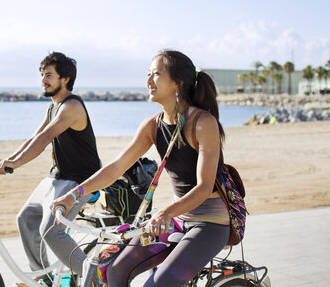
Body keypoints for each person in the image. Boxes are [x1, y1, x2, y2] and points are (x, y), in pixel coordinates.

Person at [52, 49, 230, 287]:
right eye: (148, 74)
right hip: (177, 219)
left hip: (210, 223)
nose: (148, 81)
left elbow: (204, 186)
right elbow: (115, 168)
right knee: (114, 270)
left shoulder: (203, 123)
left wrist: (165, 212)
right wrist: (73, 195)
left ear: (177, 82)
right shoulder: (152, 125)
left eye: (156, 74)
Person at [0, 52, 101, 281]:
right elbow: (35, 137)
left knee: (51, 231)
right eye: (42, 75)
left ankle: (95, 280)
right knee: (25, 218)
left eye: (49, 75)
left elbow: (44, 140)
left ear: (65, 80)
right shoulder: (53, 107)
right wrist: (6, 161)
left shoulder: (71, 106)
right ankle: (44, 278)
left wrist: (16, 164)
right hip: (59, 177)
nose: (43, 79)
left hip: (81, 180)